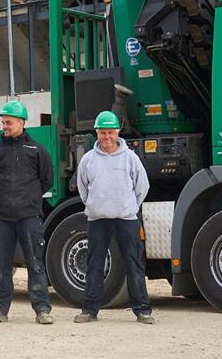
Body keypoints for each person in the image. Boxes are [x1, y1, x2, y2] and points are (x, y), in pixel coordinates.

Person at [74, 110, 154, 324]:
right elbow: (83, 189)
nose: (107, 137)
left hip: (126, 218)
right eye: (102, 133)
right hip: (98, 219)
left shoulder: (130, 158)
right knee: (95, 264)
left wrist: (128, 207)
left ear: (118, 132)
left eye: (110, 132)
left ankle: (142, 309)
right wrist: (95, 206)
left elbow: (142, 187)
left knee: (134, 262)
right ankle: (89, 310)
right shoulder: (88, 160)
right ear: (96, 133)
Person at [0, 100, 54, 325]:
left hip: (29, 216)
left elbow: (47, 180)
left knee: (35, 263)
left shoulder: (37, 150)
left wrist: (29, 199)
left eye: (9, 122)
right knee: (2, 265)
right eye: (3, 122)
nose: (5, 126)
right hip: (2, 217)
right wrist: (4, 199)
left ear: (22, 122)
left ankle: (42, 308)